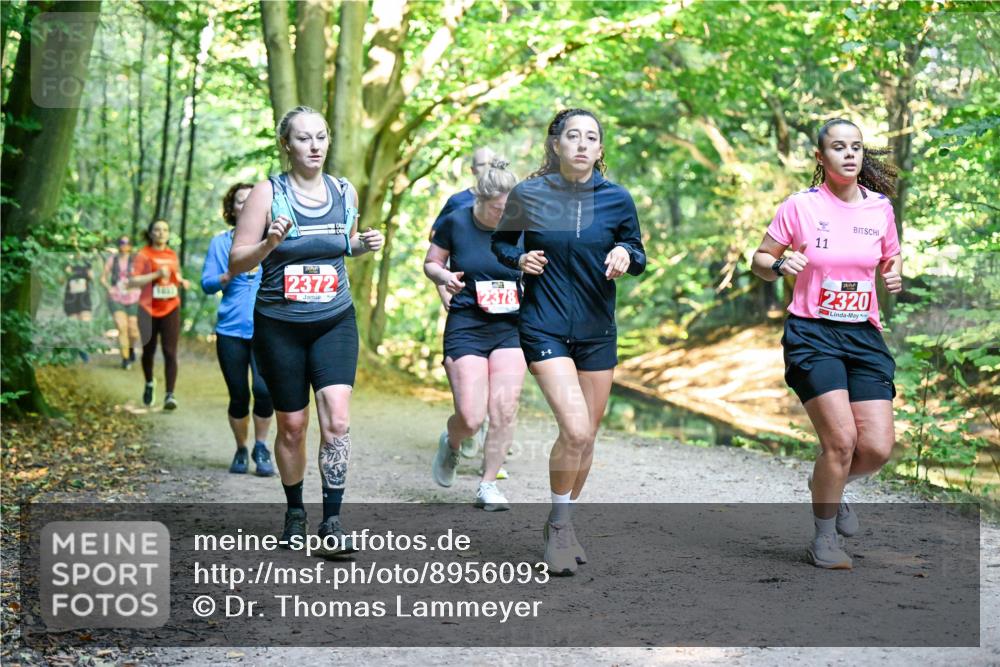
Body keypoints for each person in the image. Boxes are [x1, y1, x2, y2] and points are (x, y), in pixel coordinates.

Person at [491, 108, 646, 575]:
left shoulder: (617, 199)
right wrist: (519, 260)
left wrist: (624, 252)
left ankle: (563, 519)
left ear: (600, 150)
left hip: (598, 331)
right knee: (576, 429)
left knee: (587, 437)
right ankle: (559, 529)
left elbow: (637, 252)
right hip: (544, 324)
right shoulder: (530, 193)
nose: (581, 144)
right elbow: (501, 244)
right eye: (572, 136)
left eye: (591, 137)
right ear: (556, 144)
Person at [229, 106, 384, 552]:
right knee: (293, 426)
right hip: (280, 325)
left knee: (336, 418)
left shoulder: (343, 190)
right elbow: (238, 261)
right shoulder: (267, 193)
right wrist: (269, 243)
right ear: (287, 144)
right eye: (304, 138)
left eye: (321, 137)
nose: (314, 146)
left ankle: (332, 521)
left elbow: (343, 244)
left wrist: (364, 244)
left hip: (334, 320)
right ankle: (295, 510)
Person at [750, 118, 902, 570]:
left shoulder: (880, 209)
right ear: (821, 157)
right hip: (813, 334)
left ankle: (830, 486)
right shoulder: (799, 207)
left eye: (856, 146)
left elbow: (889, 258)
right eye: (839, 147)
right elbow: (759, 259)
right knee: (840, 441)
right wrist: (778, 265)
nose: (850, 154)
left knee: (876, 448)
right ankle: (823, 539)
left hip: (863, 334)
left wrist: (893, 274)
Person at [425, 158, 526, 511]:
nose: (506, 216)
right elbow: (431, 263)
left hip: (510, 326)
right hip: (467, 322)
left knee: (504, 408)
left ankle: (487, 485)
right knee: (470, 416)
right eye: (499, 209)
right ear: (480, 201)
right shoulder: (457, 221)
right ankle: (451, 443)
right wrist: (443, 278)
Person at [201, 183, 276, 477]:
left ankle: (261, 446)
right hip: (230, 330)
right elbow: (207, 284)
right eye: (241, 201)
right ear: (232, 209)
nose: (247, 206)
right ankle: (241, 449)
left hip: (267, 329)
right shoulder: (220, 244)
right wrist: (228, 274)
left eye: (253, 201)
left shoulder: (272, 242)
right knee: (239, 396)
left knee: (264, 390)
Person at [429, 147, 497, 461]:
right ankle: (468, 428)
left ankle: (492, 452)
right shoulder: (457, 204)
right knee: (470, 390)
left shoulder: (511, 204)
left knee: (501, 391)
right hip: (467, 304)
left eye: (493, 165)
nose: (487, 170)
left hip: (505, 314)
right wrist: (443, 287)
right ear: (472, 170)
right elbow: (437, 251)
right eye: (481, 165)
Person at [130, 219, 190, 410]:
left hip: (170, 306)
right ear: (151, 233)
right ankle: (149, 383)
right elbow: (133, 281)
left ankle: (169, 395)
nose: (161, 233)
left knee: (170, 351)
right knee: (149, 350)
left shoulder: (172, 254)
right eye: (157, 229)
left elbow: (174, 274)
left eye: (165, 229)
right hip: (147, 308)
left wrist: (181, 281)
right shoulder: (143, 254)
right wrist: (155, 275)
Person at [101, 236, 141, 369]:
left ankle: (130, 349)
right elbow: (103, 278)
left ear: (130, 245)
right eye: (121, 243)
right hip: (116, 297)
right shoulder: (112, 260)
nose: (124, 245)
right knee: (121, 326)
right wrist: (109, 289)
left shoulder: (136, 260)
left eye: (127, 243)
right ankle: (125, 359)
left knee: (133, 331)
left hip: (133, 298)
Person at [63, 253, 94, 362]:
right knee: (73, 326)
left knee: (85, 326)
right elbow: (60, 280)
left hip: (84, 299)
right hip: (71, 299)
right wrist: (66, 272)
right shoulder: (66, 263)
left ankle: (83, 349)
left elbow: (92, 278)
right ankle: (75, 352)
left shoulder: (87, 263)